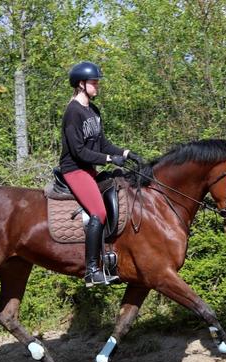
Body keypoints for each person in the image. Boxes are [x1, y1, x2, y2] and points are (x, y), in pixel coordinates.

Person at [59, 61, 142, 287]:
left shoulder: (93, 111)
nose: (97, 86)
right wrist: (108, 160)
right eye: (93, 82)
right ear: (81, 84)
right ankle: (92, 270)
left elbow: (102, 143)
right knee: (98, 212)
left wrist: (126, 153)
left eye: (97, 82)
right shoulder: (72, 112)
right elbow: (79, 151)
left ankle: (112, 255)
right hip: (75, 169)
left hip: (90, 169)